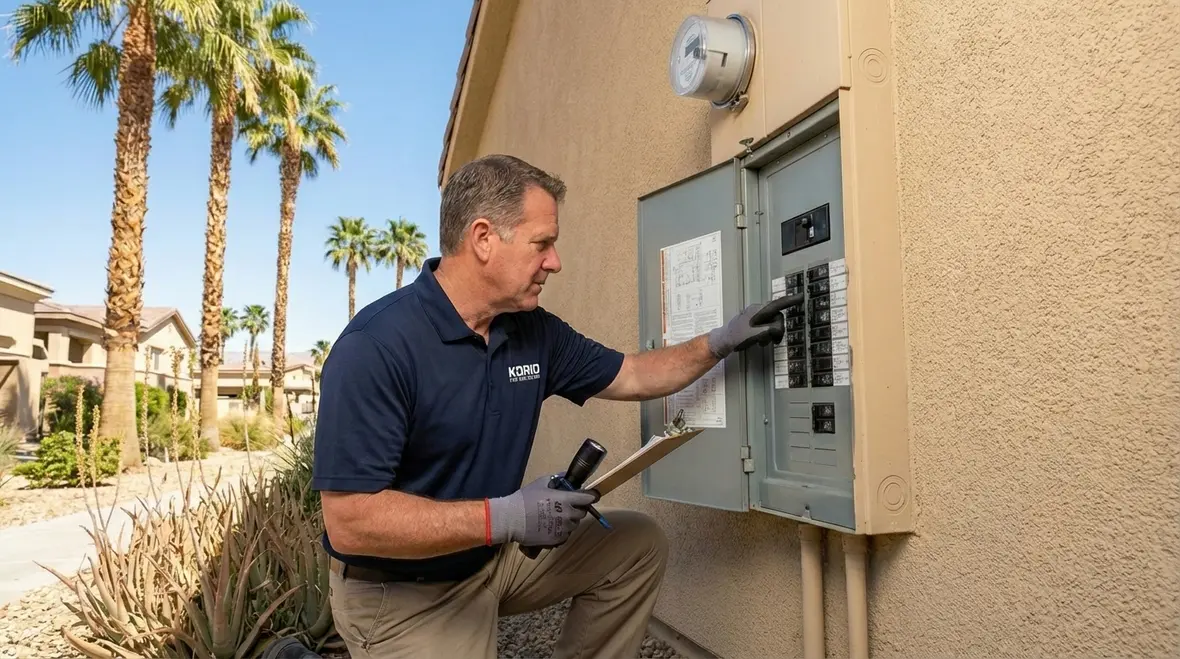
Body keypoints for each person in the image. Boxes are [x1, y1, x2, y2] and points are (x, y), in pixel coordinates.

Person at [311, 154, 788, 659]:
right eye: (542, 243)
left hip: (490, 558)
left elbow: (632, 373)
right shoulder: (377, 346)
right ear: (483, 239)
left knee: (637, 545)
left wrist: (718, 342)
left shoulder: (531, 331)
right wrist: (509, 517)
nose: (555, 262)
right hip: (403, 594)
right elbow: (351, 521)